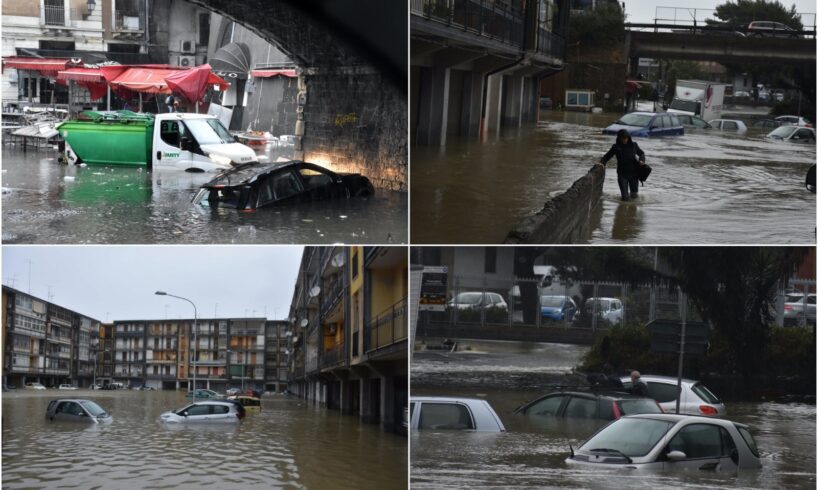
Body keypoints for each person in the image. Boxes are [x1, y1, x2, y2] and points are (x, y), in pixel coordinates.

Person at [598, 129, 646, 201]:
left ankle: (632, 211)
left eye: (626, 137)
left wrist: (641, 160)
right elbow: (607, 156)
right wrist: (601, 163)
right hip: (622, 174)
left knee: (634, 196)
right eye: (623, 138)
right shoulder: (616, 147)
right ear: (619, 138)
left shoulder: (634, 145)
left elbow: (641, 153)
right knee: (625, 197)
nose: (625, 139)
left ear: (629, 138)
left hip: (634, 174)